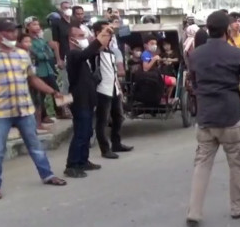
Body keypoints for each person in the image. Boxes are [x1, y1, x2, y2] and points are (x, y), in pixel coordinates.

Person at [186, 11, 240, 227]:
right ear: (227, 30)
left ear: (207, 29)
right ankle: (238, 206)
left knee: (202, 163)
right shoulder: (235, 53)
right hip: (230, 115)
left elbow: (193, 82)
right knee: (237, 162)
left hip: (206, 116)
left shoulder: (196, 54)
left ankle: (194, 212)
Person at [0, 18, 67, 200]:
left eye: (15, 31)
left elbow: (32, 78)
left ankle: (47, 175)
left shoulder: (22, 55)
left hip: (24, 110)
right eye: (10, 31)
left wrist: (52, 91)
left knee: (35, 146)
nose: (14, 34)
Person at [64, 25, 112, 178]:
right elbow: (87, 52)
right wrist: (100, 36)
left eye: (84, 35)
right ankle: (72, 165)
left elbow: (95, 50)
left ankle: (83, 161)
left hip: (88, 99)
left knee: (87, 132)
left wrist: (105, 36)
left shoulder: (83, 56)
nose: (83, 38)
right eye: (80, 36)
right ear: (71, 39)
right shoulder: (73, 55)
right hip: (80, 100)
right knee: (81, 132)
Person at [94, 21, 133, 160]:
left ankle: (116, 143)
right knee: (102, 121)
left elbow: (113, 72)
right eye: (105, 31)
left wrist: (119, 88)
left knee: (118, 117)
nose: (109, 35)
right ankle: (105, 149)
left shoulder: (110, 51)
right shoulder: (95, 50)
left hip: (113, 88)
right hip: (102, 89)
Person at [25, 16, 60, 128]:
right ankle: (42, 117)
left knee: (55, 89)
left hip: (47, 69)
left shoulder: (41, 39)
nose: (37, 27)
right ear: (28, 27)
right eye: (34, 24)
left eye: (38, 24)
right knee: (40, 95)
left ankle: (60, 111)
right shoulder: (28, 40)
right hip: (38, 71)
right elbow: (37, 55)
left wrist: (44, 54)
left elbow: (50, 53)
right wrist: (44, 54)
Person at [51, 2, 74, 119]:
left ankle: (71, 106)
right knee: (64, 83)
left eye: (69, 7)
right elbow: (55, 43)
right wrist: (58, 58)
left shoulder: (73, 22)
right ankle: (63, 108)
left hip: (74, 55)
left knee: (72, 82)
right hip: (63, 55)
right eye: (65, 8)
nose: (68, 9)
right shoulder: (57, 23)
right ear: (61, 9)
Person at [141, 35, 176, 103]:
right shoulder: (145, 54)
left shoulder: (151, 54)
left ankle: (164, 97)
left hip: (155, 75)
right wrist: (154, 59)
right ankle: (164, 99)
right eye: (152, 43)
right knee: (173, 81)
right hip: (150, 77)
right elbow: (145, 69)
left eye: (155, 44)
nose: (154, 46)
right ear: (145, 45)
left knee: (173, 79)